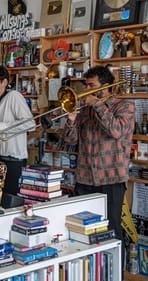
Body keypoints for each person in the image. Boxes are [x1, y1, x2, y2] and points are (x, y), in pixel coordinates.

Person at [63, 66, 135, 261]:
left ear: (106, 86)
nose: (86, 89)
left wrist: (97, 105)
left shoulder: (125, 107)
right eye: (86, 85)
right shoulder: (85, 111)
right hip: (84, 179)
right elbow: (70, 141)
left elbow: (116, 132)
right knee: (81, 232)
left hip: (111, 179)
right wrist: (71, 121)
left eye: (91, 85)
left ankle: (116, 272)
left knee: (112, 232)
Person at [0, 65, 35, 205]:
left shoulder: (14, 96)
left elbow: (30, 124)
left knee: (7, 205)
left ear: (4, 82)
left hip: (13, 162)